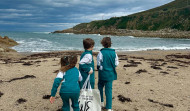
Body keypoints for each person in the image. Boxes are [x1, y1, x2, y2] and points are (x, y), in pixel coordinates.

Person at [97, 37, 119, 111]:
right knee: (109, 90)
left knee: (100, 87)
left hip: (103, 74)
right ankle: (109, 107)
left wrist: (100, 67)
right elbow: (116, 63)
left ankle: (101, 102)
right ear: (110, 43)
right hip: (110, 74)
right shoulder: (114, 52)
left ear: (103, 44)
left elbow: (98, 63)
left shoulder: (101, 52)